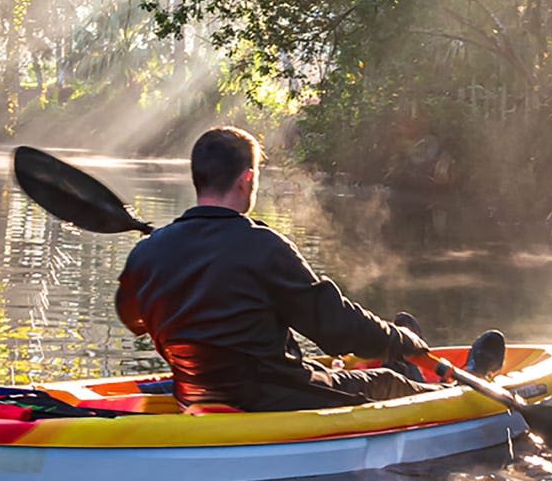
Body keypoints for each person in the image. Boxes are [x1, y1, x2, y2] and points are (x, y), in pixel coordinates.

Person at [114, 126, 503, 411]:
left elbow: (134, 321)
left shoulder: (148, 253)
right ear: (248, 179)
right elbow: (335, 324)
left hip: (196, 392)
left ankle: (405, 364)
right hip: (272, 399)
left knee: (367, 368)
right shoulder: (262, 246)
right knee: (387, 382)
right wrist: (406, 341)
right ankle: (467, 389)